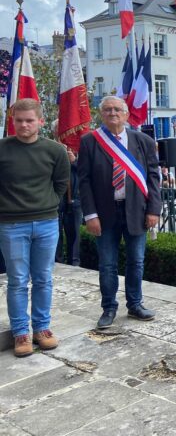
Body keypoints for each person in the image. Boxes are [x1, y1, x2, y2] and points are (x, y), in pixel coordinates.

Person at [78, 96, 162, 329]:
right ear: (101, 114)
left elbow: (154, 178)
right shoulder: (90, 141)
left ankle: (135, 304)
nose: (113, 113)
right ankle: (109, 307)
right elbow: (83, 182)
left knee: (136, 261)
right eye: (107, 110)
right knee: (107, 264)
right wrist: (90, 215)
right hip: (104, 214)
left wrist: (154, 209)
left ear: (126, 114)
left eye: (117, 109)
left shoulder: (143, 141)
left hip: (137, 210)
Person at [0, 99, 69, 357]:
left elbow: (61, 182)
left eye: (29, 120)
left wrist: (48, 203)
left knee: (43, 278)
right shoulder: (2, 149)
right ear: (13, 121)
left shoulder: (55, 151)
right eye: (19, 120)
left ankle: (42, 328)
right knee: (17, 280)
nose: (24, 125)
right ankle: (21, 333)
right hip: (11, 225)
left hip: (46, 222)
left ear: (40, 121)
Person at [52, 119, 82, 267]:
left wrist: (74, 161)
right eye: (60, 129)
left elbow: (87, 171)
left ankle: (74, 265)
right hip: (55, 199)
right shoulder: (49, 148)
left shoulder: (79, 149)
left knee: (74, 235)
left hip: (75, 198)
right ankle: (57, 264)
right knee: (54, 234)